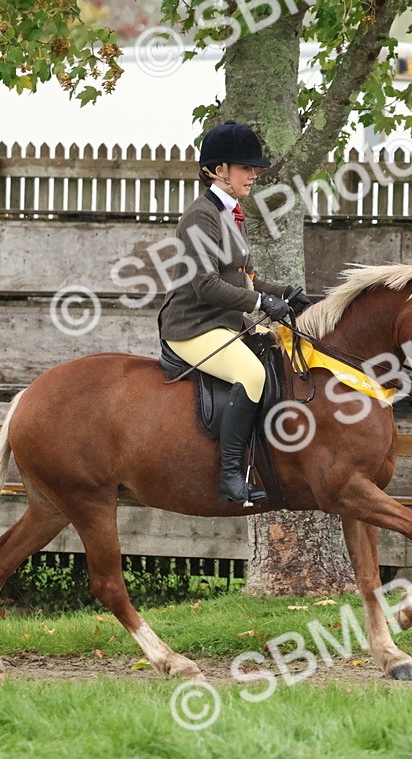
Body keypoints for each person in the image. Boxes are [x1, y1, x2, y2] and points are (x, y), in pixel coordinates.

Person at [157, 120, 312, 505]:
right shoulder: (201, 216)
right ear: (218, 169)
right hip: (193, 326)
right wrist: (262, 305)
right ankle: (229, 476)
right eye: (247, 168)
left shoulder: (230, 213)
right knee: (252, 373)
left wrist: (283, 293)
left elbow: (244, 278)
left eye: (256, 170)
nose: (254, 175)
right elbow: (206, 285)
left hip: (223, 323)